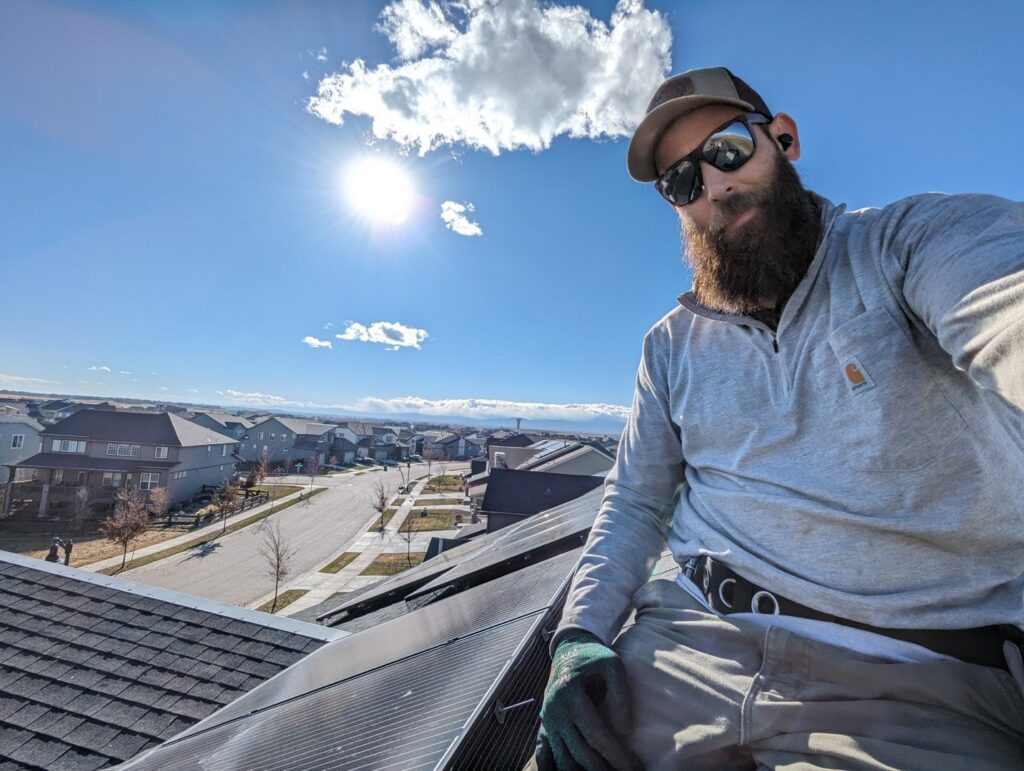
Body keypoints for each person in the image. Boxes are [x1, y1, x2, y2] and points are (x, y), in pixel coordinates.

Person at [534, 67, 1024, 770]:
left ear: (783, 140)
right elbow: (636, 501)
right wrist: (580, 630)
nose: (715, 187)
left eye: (728, 149)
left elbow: (1003, 302)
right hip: (684, 644)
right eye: (682, 182)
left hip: (913, 683)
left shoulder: (905, 247)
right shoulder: (669, 346)